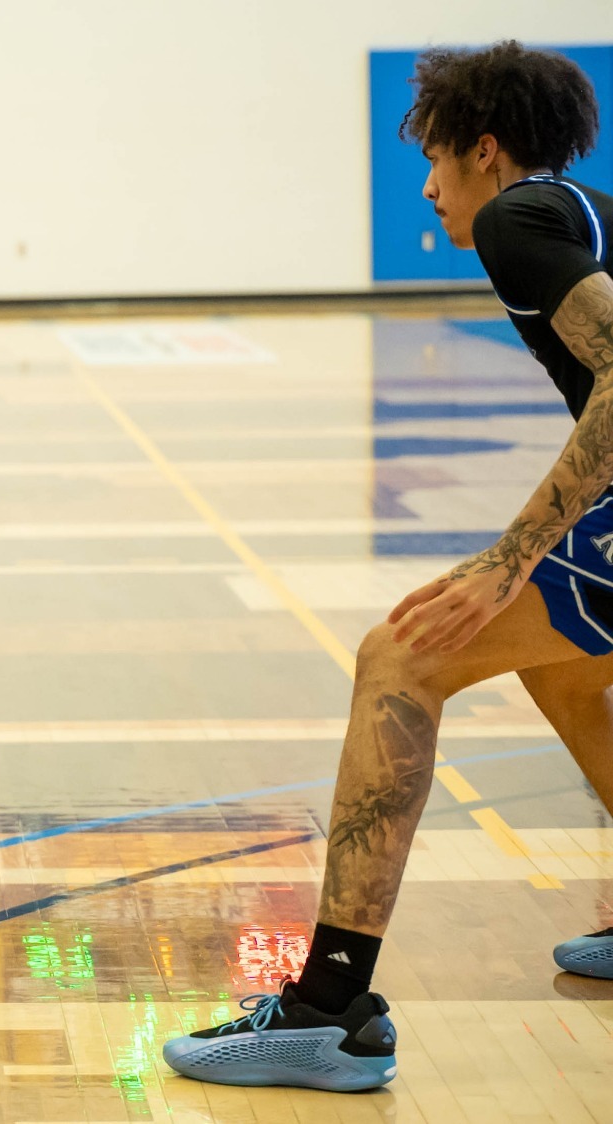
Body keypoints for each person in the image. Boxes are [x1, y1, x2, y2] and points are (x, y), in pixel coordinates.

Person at [165, 41, 613, 1092]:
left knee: (400, 657)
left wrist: (509, 558)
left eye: (434, 159)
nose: (425, 186)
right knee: (563, 672)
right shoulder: (580, 207)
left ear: (485, 151)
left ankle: (327, 1007)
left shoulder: (515, 218)